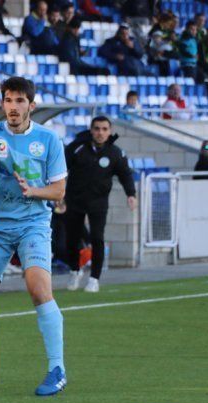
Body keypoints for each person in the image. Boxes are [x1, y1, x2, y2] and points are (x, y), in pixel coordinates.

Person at [0, 77, 68, 397]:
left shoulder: (49, 140)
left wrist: (33, 191)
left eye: (20, 101)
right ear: (2, 104)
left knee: (38, 289)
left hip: (34, 224)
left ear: (31, 106)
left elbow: (58, 190)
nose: (13, 107)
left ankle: (57, 369)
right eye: (8, 101)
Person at [64, 117, 136, 293]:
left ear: (109, 131)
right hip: (74, 199)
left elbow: (125, 174)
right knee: (71, 239)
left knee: (97, 238)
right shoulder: (77, 148)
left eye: (104, 129)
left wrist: (131, 194)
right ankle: (74, 271)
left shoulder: (115, 153)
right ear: (91, 130)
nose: (100, 132)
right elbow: (61, 168)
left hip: (98, 202)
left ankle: (94, 279)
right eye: (97, 129)